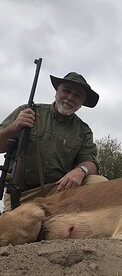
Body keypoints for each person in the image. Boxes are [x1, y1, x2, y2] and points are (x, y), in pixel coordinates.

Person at [0, 72, 107, 211]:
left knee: (99, 182)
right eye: (66, 91)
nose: (70, 97)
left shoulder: (84, 130)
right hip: (20, 192)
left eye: (77, 95)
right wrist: (13, 128)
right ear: (57, 92)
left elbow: (90, 162)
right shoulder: (27, 111)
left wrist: (81, 171)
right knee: (18, 230)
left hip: (59, 191)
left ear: (82, 103)